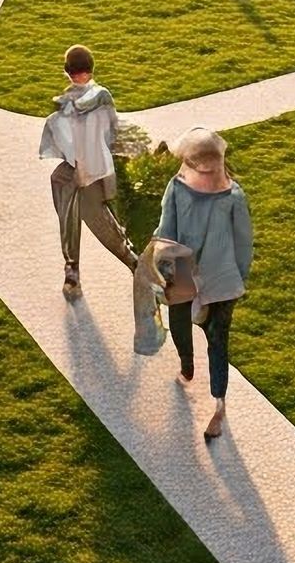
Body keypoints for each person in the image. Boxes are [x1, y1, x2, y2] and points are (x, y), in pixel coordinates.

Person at [157, 128, 253, 441]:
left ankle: (219, 406)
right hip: (184, 269)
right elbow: (166, 229)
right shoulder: (177, 188)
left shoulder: (233, 196)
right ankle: (187, 364)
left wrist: (238, 279)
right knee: (179, 322)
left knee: (218, 340)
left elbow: (243, 245)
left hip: (222, 279)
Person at [39, 44, 137, 301]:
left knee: (96, 221)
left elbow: (90, 111)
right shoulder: (91, 97)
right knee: (81, 213)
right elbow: (110, 131)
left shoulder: (85, 99)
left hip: (90, 170)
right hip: (83, 170)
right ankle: (76, 270)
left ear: (67, 71)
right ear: (90, 69)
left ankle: (130, 265)